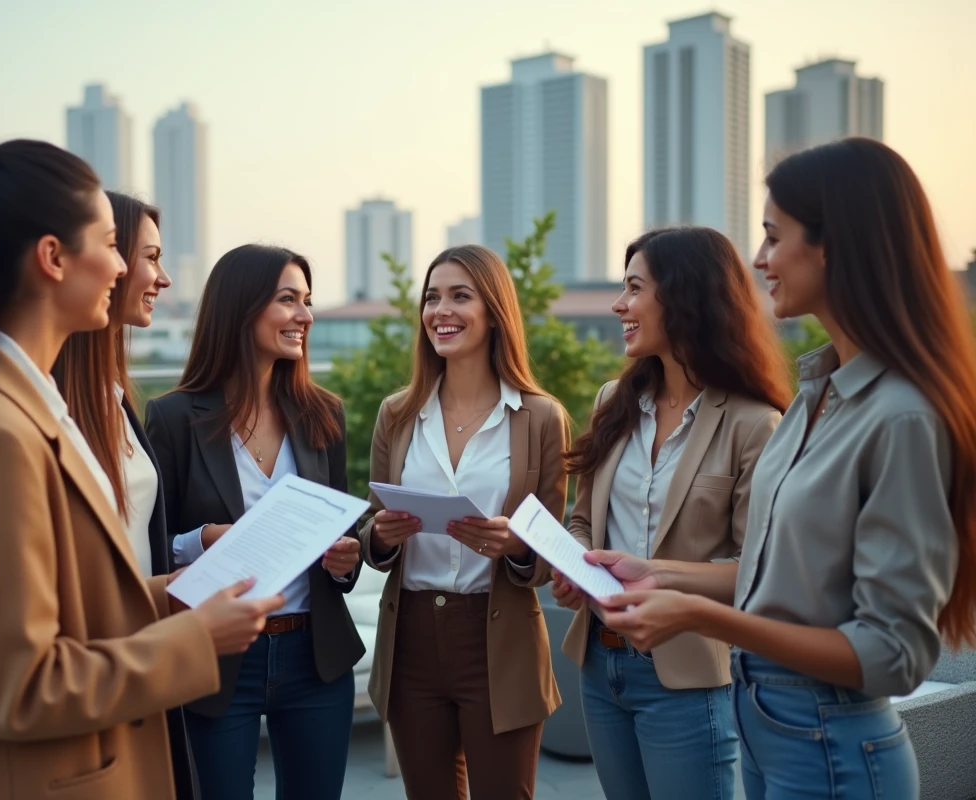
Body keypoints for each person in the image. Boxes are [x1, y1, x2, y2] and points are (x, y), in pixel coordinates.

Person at [0, 133, 281, 800]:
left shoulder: (26, 410)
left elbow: (61, 607)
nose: (123, 267)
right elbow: (19, 687)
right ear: (53, 258)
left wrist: (168, 593)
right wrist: (194, 638)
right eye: (112, 244)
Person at [579, 138, 976, 799]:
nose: (759, 259)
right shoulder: (817, 396)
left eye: (772, 236)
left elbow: (893, 656)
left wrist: (696, 615)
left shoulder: (901, 416)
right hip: (767, 720)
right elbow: (774, 575)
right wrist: (649, 571)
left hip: (833, 740)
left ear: (834, 244)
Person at [551, 226, 791, 800]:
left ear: (683, 297)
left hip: (688, 678)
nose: (619, 305)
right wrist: (572, 563)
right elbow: (585, 518)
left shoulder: (753, 423)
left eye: (634, 288)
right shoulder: (615, 400)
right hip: (599, 666)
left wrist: (656, 576)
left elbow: (759, 572)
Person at [145, 243, 364, 800]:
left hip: (315, 656)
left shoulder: (323, 413)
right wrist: (204, 540)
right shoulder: (172, 417)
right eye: (288, 299)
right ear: (241, 308)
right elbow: (151, 549)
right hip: (218, 655)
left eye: (307, 302)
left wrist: (345, 559)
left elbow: (337, 533)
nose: (305, 317)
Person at [359, 244, 569, 800]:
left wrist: (516, 545)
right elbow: (374, 527)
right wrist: (380, 538)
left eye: (459, 295)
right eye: (432, 298)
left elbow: (552, 548)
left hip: (498, 639)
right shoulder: (397, 413)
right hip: (412, 641)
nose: (440, 311)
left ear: (494, 310)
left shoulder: (541, 417)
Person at [52, 193, 202, 798]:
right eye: (146, 257)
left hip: (140, 654)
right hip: (104, 671)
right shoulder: (51, 413)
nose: (161, 278)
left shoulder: (112, 395)